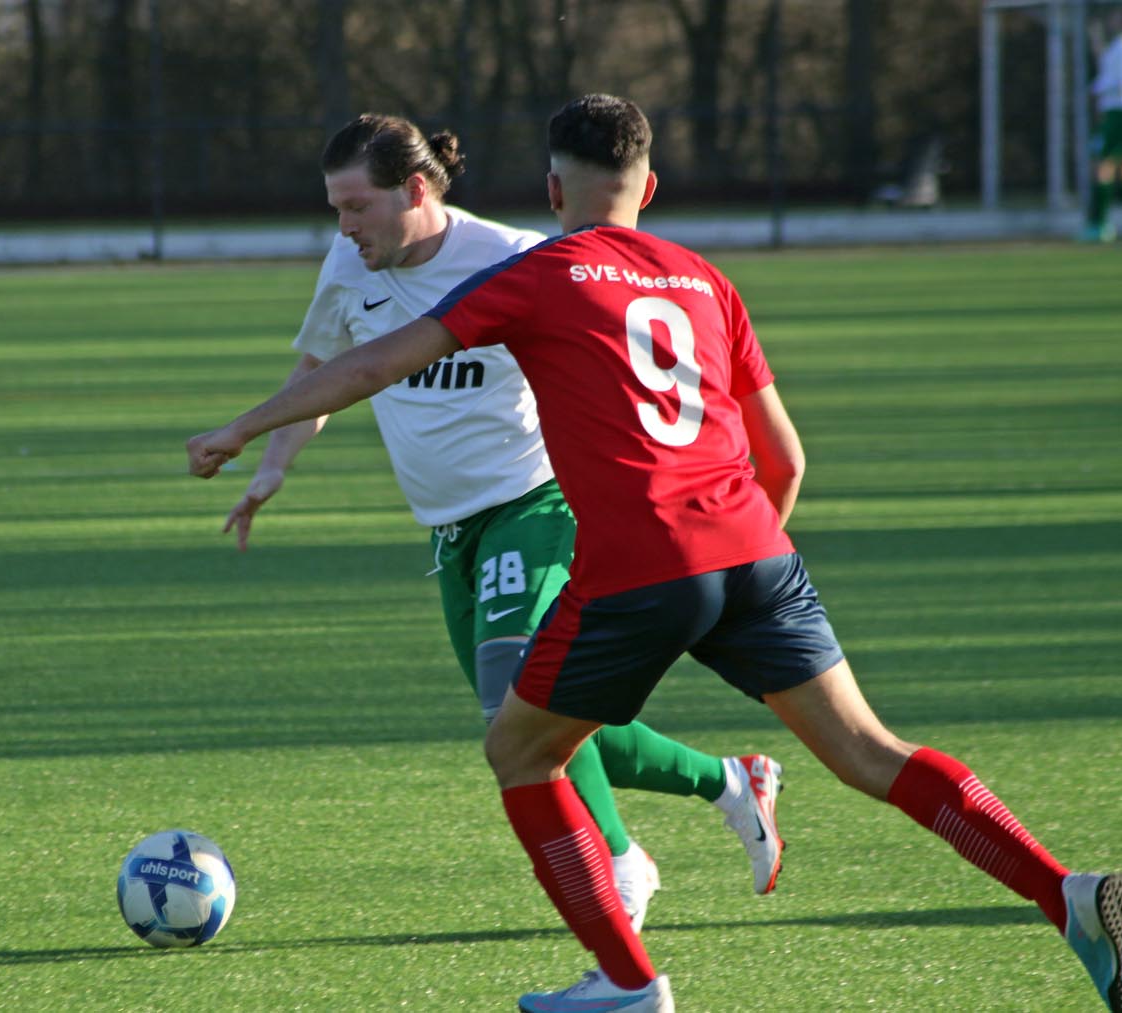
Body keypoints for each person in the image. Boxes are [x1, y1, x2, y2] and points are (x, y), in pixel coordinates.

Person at [187, 94, 1121, 1013]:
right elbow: (785, 458)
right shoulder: (705, 278)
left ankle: (630, 984)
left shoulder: (539, 272)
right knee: (873, 752)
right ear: (651, 186)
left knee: (520, 750)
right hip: (756, 549)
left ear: (554, 191)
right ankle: (1068, 892)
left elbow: (371, 364)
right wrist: (736, 577)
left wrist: (240, 428)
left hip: (641, 563)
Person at [217, 113, 786, 931]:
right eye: (335, 209)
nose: (344, 227)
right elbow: (325, 366)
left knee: (517, 699)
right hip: (451, 533)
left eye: (357, 206)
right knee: (526, 718)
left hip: (536, 503)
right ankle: (730, 781)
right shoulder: (350, 264)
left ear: (415, 190)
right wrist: (273, 467)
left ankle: (624, 861)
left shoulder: (515, 259)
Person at [1082, 7, 1122, 242]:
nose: (1114, 19)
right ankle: (1100, 223)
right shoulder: (1115, 46)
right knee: (1106, 167)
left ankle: (1100, 224)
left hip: (1117, 113)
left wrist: (1097, 90)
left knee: (1104, 167)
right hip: (1111, 113)